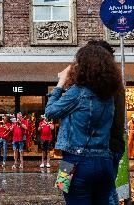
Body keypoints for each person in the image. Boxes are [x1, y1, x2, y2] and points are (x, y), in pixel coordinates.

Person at [45, 44, 122, 204]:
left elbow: (50, 111)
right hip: (104, 161)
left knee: (69, 197)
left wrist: (60, 83)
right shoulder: (110, 95)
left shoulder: (77, 91)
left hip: (72, 160)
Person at [87, 39, 125, 205]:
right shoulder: (115, 83)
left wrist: (61, 85)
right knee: (107, 193)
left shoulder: (91, 85)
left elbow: (52, 110)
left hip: (88, 151)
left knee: (102, 194)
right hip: (108, 148)